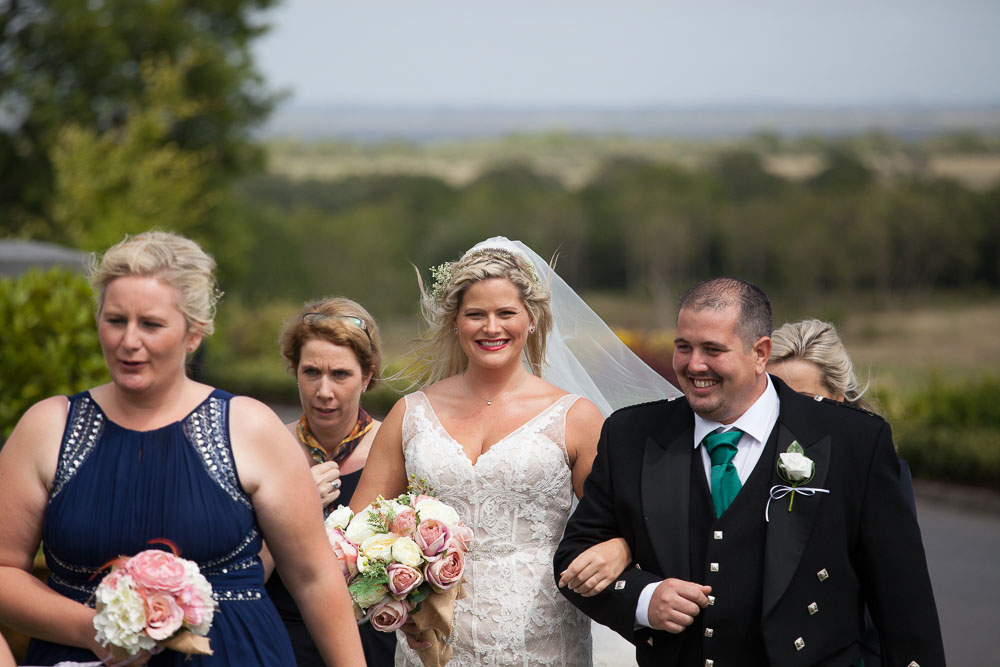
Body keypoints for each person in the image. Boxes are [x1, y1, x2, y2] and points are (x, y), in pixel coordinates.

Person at [0, 231, 364, 666]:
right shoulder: (49, 428)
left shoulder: (248, 427)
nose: (128, 341)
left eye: (151, 324)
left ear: (194, 334)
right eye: (116, 320)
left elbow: (313, 577)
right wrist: (91, 629)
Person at [555, 277, 945, 667]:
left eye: (712, 350)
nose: (694, 365)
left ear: (760, 353)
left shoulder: (851, 441)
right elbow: (573, 557)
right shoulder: (632, 435)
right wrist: (644, 599)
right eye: (683, 347)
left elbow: (903, 601)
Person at [351, 237, 679, 666]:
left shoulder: (574, 417)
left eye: (506, 313)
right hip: (430, 645)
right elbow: (357, 537)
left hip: (540, 640)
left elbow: (629, 522)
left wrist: (620, 548)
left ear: (531, 320)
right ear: (455, 321)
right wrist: (393, 600)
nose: (491, 328)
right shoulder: (409, 414)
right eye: (475, 314)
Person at [768, 317, 918, 666]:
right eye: (775, 398)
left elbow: (895, 589)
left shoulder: (880, 473)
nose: (788, 414)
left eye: (804, 400)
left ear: (837, 399)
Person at [263, 297, 395, 666]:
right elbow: (245, 573)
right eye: (311, 372)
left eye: (340, 374)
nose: (324, 391)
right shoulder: (265, 448)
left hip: (371, 641)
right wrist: (292, 506)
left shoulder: (396, 450)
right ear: (294, 370)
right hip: (284, 641)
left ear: (367, 376)